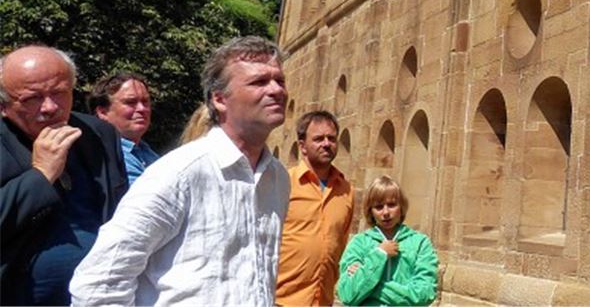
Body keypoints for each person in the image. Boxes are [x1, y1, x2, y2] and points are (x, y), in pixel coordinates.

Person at [69, 36, 291, 306]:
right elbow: (99, 282)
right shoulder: (180, 173)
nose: (276, 90)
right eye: (259, 82)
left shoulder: (277, 178)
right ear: (219, 99)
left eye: (279, 80)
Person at [0, 46, 128, 306]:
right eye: (32, 98)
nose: (49, 107)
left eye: (59, 93)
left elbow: (122, 211)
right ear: (3, 106)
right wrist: (41, 175)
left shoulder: (98, 134)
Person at [276, 110, 356, 306]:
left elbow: (341, 243)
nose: (326, 144)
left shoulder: (346, 191)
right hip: (281, 300)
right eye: (319, 139)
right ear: (302, 146)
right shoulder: (283, 183)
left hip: (323, 300)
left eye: (331, 138)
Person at [337, 176, 438, 306]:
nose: (385, 212)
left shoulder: (420, 243)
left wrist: (370, 285)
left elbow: (424, 294)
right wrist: (379, 254)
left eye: (391, 205)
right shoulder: (359, 243)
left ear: (401, 207)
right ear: (371, 211)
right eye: (378, 207)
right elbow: (348, 294)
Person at [87, 71, 159, 184]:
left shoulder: (146, 152)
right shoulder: (105, 157)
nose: (142, 109)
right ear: (103, 112)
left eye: (145, 102)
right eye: (130, 102)